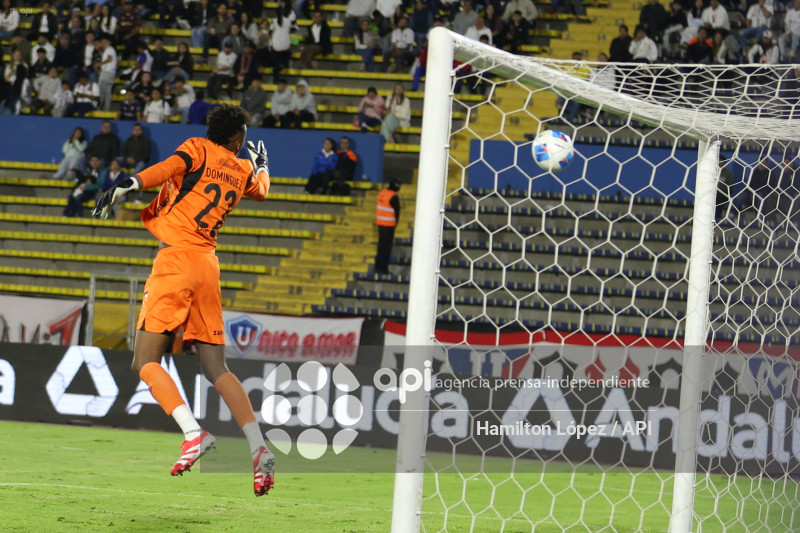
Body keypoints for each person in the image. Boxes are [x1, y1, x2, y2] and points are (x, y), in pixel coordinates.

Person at [90, 105, 275, 497]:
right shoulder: (242, 170)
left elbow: (167, 168)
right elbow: (262, 190)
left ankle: (193, 434)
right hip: (209, 265)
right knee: (218, 368)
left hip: (176, 259)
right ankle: (259, 448)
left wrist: (129, 184)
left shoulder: (198, 148)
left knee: (145, 361)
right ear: (238, 139)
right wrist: (261, 164)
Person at [375, 179, 400, 274]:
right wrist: (395, 222)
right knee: (386, 248)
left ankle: (378, 267)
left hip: (380, 223)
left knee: (380, 247)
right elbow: (397, 212)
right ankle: (383, 268)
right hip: (389, 225)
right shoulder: (393, 196)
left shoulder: (382, 193)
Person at [269, 0, 295, 82]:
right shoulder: (288, 21)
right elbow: (293, 28)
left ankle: (276, 69)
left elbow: (270, 31)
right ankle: (283, 64)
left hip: (277, 45)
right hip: (285, 45)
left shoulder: (274, 21)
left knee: (273, 49)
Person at [95, 37, 117, 111]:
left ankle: (100, 109)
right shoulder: (107, 50)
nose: (103, 43)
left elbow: (109, 58)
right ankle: (105, 109)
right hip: (109, 73)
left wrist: (99, 64)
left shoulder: (110, 49)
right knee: (107, 93)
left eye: (104, 41)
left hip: (107, 73)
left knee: (102, 92)